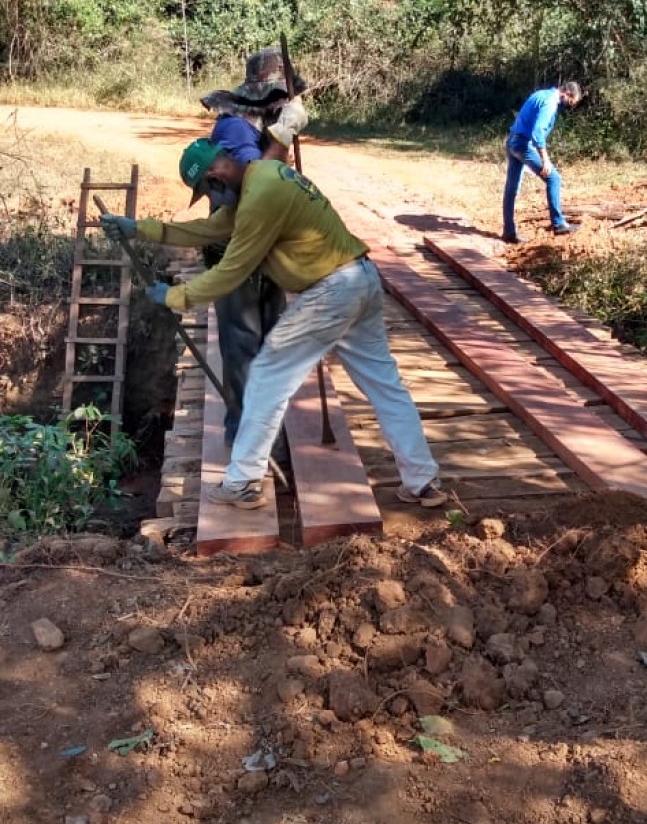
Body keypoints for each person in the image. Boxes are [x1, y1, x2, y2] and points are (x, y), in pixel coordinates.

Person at [100, 100, 446, 511]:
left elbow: (231, 269)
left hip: (332, 291)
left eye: (209, 187)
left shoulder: (259, 198)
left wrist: (176, 297)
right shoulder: (260, 177)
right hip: (362, 279)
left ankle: (244, 481)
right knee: (384, 385)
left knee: (266, 374)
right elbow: (209, 229)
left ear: (217, 170)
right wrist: (140, 229)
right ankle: (422, 480)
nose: (212, 196)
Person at [191, 46, 298, 446]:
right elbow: (252, 185)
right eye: (282, 98)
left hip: (265, 247)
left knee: (273, 342)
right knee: (241, 345)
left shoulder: (264, 125)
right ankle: (243, 439)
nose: (285, 104)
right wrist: (284, 136)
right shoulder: (235, 129)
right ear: (262, 96)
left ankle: (271, 437)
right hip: (234, 248)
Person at [502, 81, 583, 243]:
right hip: (523, 144)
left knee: (511, 188)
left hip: (512, 141)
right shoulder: (550, 103)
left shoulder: (541, 94)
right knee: (554, 178)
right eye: (571, 102)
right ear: (566, 94)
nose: (569, 106)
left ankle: (509, 231)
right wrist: (545, 160)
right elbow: (538, 132)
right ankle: (559, 224)